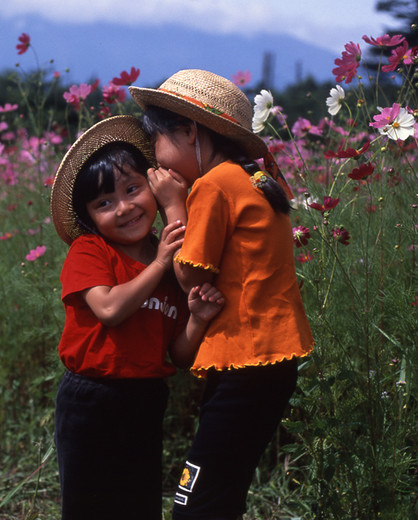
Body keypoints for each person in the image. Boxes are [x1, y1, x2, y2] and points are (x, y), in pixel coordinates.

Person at [129, 69, 314, 520]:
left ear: (190, 131)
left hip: (246, 356)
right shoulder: (248, 177)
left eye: (158, 143)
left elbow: (191, 275)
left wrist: (174, 205)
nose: (158, 160)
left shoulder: (213, 186)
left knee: (196, 503)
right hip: (271, 355)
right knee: (224, 490)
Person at [50, 115, 224, 520]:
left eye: (133, 189)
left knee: (139, 500)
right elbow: (109, 309)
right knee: (88, 502)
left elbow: (179, 356)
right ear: (90, 219)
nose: (124, 208)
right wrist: (161, 262)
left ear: (152, 187)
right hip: (90, 398)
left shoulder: (172, 264)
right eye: (104, 203)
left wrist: (197, 318)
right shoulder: (91, 252)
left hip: (145, 398)